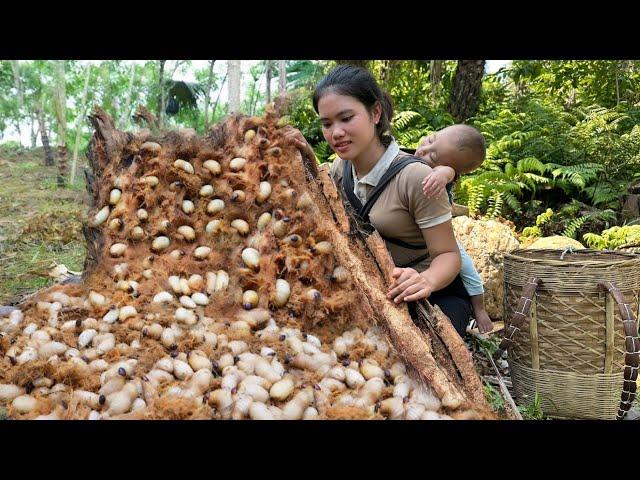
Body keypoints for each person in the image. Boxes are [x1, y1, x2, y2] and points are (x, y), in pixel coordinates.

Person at [282, 64, 472, 337]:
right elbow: (324, 200)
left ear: (375, 113)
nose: (336, 132)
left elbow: (448, 256)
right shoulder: (341, 170)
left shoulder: (416, 177)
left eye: (346, 118)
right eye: (327, 123)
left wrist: (425, 280)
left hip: (434, 297)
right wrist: (306, 155)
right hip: (380, 292)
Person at [414, 125, 494, 333]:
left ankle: (479, 308)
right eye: (430, 140)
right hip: (417, 233)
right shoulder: (408, 161)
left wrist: (442, 172)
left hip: (443, 237)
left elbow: (447, 172)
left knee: (467, 270)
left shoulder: (444, 172)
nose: (423, 150)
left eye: (433, 156)